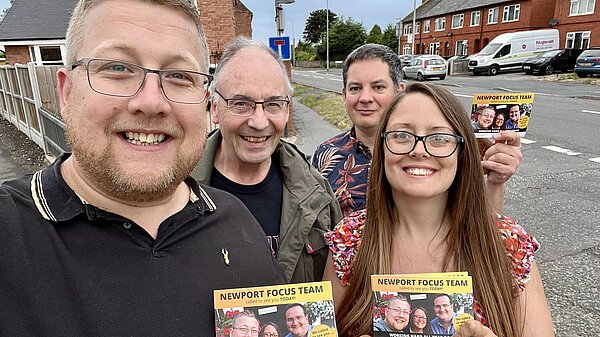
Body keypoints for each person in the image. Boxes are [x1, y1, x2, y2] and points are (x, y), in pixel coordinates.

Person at [0, 1, 282, 335]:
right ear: (66, 91)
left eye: (179, 76)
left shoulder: (237, 222)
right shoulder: (9, 234)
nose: (151, 102)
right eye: (117, 68)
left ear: (205, 102)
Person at [323, 83, 554, 337]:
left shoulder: (509, 243)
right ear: (381, 148)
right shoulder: (350, 238)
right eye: (401, 135)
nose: (419, 150)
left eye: (440, 138)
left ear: (461, 152)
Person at [193, 36, 341, 283]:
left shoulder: (317, 193)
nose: (259, 122)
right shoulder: (177, 189)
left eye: (273, 104)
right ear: (214, 107)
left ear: (287, 109)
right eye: (241, 103)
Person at [313, 44, 522, 217]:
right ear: (344, 95)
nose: (365, 98)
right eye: (355, 88)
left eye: (378, 87)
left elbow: (480, 229)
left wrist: (495, 184)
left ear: (399, 91)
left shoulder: (443, 151)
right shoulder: (326, 156)